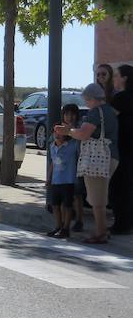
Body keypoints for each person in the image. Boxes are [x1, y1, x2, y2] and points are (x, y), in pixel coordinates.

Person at [55, 82, 118, 244]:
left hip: (97, 158)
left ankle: (100, 233)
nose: (86, 104)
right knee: (101, 196)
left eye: (87, 100)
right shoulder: (110, 111)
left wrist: (67, 131)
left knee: (96, 198)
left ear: (92, 98)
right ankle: (102, 230)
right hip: (111, 156)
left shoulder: (95, 113)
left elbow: (83, 134)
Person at [46, 109, 80, 238]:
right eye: (55, 132)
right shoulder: (52, 147)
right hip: (56, 180)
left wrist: (70, 129)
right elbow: (52, 163)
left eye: (60, 132)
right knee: (55, 205)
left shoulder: (71, 145)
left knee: (67, 205)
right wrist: (49, 178)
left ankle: (66, 228)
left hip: (68, 180)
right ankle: (58, 225)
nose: (57, 135)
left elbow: (77, 139)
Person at [109, 64, 133, 234]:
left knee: (118, 187)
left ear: (124, 78)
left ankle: (121, 224)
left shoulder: (121, 98)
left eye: (116, 75)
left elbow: (108, 120)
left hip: (122, 147)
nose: (114, 78)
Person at [60, 103, 85, 232]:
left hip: (76, 164)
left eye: (72, 114)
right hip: (63, 166)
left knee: (77, 194)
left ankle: (79, 220)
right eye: (66, 114)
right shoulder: (60, 128)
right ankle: (65, 221)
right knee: (65, 194)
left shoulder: (79, 128)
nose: (69, 117)